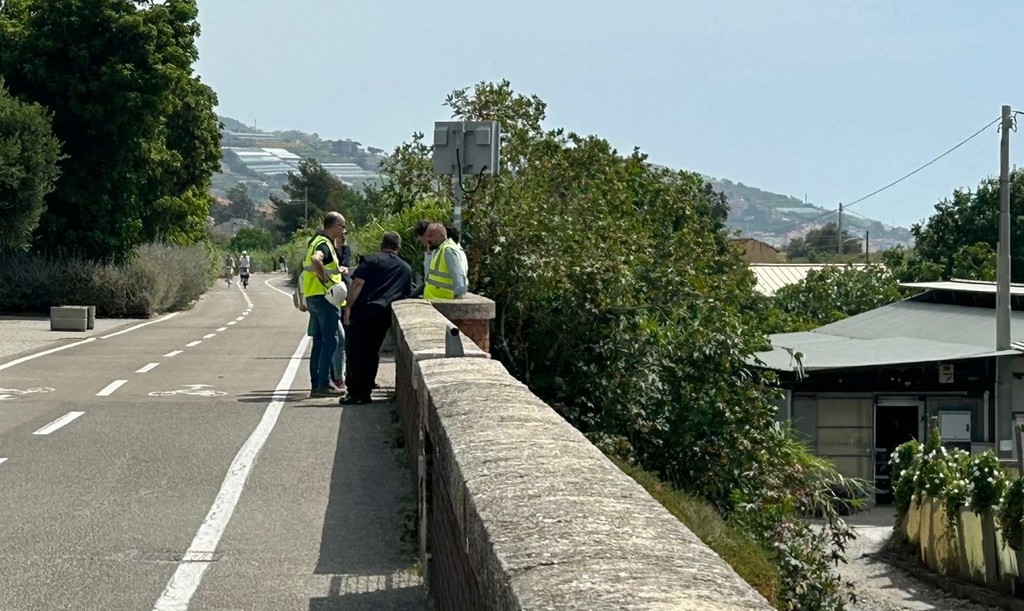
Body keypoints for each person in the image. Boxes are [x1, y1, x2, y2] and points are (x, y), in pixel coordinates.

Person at [341, 231, 412, 405]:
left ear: (382, 245)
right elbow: (405, 295)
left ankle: (355, 393)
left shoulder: (371, 260)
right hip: (383, 316)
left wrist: (348, 307)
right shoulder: (405, 268)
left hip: (362, 312)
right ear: (398, 248)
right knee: (372, 352)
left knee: (355, 352)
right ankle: (366, 391)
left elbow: (358, 283)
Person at [301, 212, 348, 398]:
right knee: (331, 340)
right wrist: (326, 281)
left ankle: (317, 384)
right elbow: (316, 260)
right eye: (342, 226)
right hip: (325, 297)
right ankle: (324, 383)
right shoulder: (323, 244)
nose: (343, 230)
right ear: (333, 226)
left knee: (319, 342)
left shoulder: (317, 241)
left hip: (313, 296)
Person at [330, 232, 353, 390]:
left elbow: (345, 266)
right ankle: (335, 376)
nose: (343, 237)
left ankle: (340, 374)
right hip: (331, 294)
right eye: (341, 234)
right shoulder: (328, 249)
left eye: (344, 235)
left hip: (343, 292)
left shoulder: (346, 250)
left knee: (343, 339)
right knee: (336, 339)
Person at [423, 223, 468, 299]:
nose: (427, 240)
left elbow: (459, 278)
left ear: (442, 235)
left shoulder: (448, 250)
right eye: (426, 236)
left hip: (445, 302)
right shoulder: (440, 249)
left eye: (431, 236)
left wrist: (458, 300)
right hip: (437, 301)